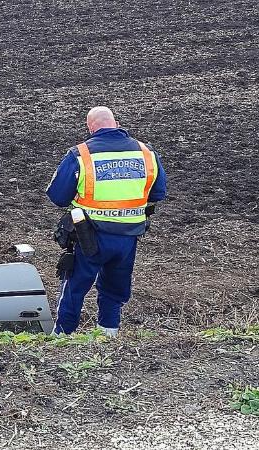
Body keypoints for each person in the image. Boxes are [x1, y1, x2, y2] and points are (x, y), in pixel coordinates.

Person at [46, 106, 167, 336]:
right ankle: (108, 335)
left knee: (74, 287)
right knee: (114, 289)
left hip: (89, 236)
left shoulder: (81, 155)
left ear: (90, 127)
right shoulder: (145, 152)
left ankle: (62, 337)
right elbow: (158, 192)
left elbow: (57, 196)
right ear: (116, 123)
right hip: (128, 237)